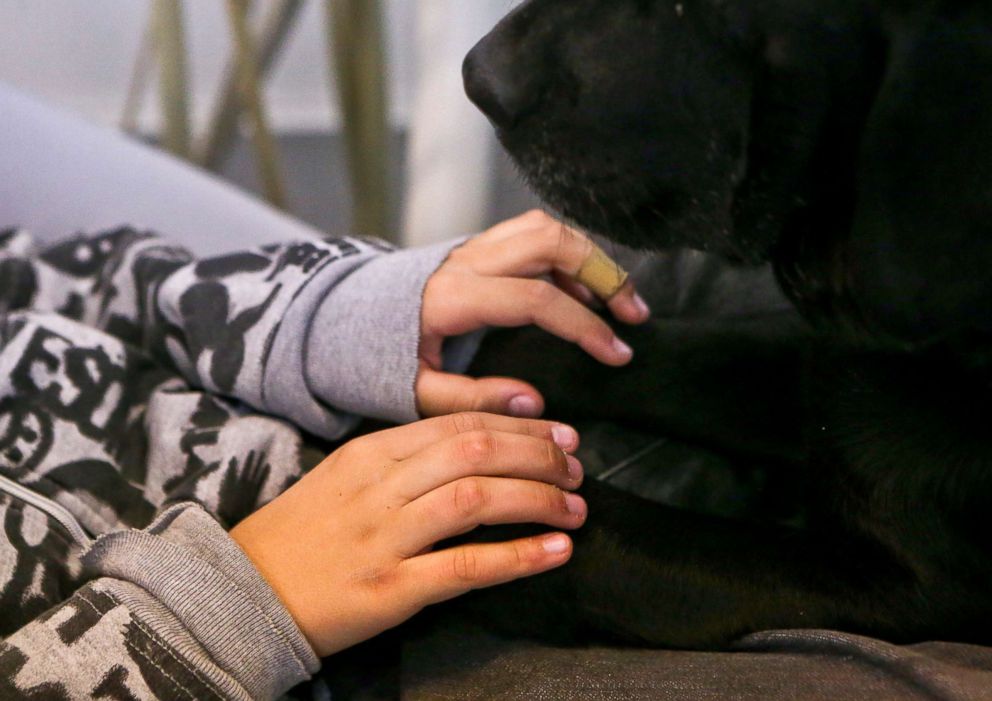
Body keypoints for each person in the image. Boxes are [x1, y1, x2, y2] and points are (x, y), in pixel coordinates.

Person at [0, 88, 650, 699]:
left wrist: (332, 314)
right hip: (300, 654)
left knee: (677, 291)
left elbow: (61, 283)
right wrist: (229, 607)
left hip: (369, 423)